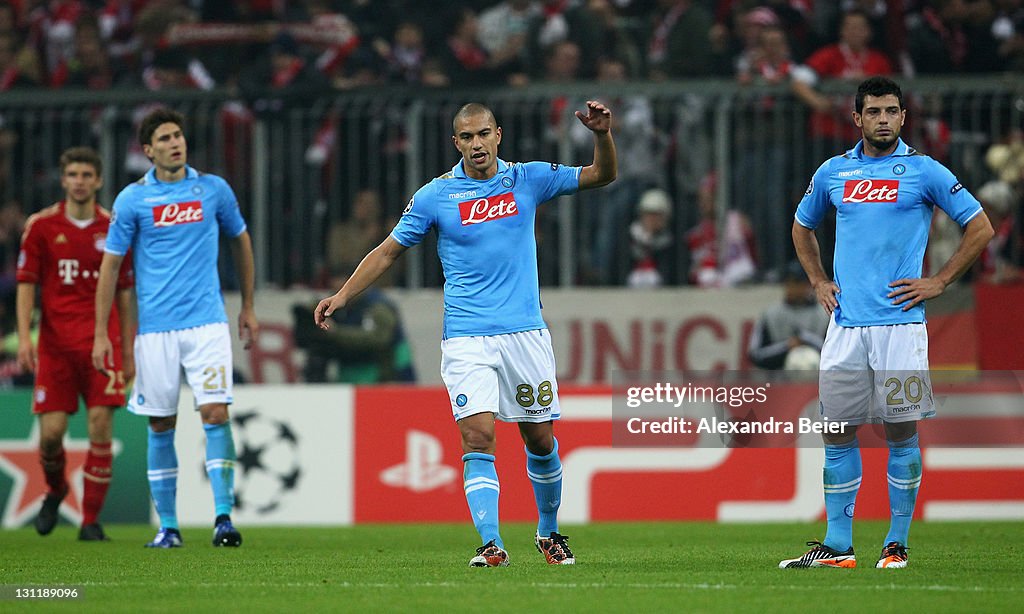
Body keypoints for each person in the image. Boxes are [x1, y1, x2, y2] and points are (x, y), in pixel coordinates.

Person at [314, 100, 617, 567]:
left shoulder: (529, 178)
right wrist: (344, 295)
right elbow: (389, 251)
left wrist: (601, 135)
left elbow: (601, 175)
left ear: (500, 135)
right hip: (466, 337)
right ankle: (491, 543)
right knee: (477, 438)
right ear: (456, 143)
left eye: (484, 134)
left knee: (539, 440)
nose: (477, 144)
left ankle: (549, 532)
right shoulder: (436, 196)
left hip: (524, 333)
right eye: (467, 137)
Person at [781, 77, 993, 570]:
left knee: (899, 432)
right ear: (857, 118)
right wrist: (816, 280)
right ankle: (838, 548)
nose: (883, 118)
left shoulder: (924, 171)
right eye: (873, 111)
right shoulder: (833, 172)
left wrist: (939, 281)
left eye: (891, 111)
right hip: (846, 326)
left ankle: (895, 545)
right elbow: (801, 225)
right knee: (836, 431)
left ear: (903, 117)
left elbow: (979, 226)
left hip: (900, 327)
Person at [92, 108, 260, 549]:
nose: (175, 143)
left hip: (207, 324)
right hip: (156, 331)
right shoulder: (132, 200)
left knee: (216, 413)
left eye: (178, 135)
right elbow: (110, 267)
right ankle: (168, 526)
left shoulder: (213, 190)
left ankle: (224, 518)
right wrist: (100, 333)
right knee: (161, 423)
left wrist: (248, 305)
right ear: (148, 151)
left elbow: (240, 239)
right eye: (164, 138)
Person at [15, 147, 135, 542]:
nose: (80, 181)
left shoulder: (114, 227)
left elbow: (125, 293)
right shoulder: (41, 227)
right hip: (55, 347)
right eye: (73, 175)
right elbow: (27, 284)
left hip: (104, 344)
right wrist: (24, 337)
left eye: (87, 174)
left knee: (101, 425)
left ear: (98, 181)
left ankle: (90, 520)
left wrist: (129, 349)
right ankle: (56, 488)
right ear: (63, 180)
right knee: (51, 435)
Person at [292, 267, 415, 383]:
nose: (338, 293)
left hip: (388, 371)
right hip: (353, 369)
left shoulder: (377, 306)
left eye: (342, 288)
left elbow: (379, 339)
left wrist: (335, 332)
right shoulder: (340, 307)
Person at [747, 261, 828, 371]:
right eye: (788, 282)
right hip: (779, 378)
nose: (792, 287)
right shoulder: (771, 314)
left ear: (808, 284)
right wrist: (787, 346)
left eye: (797, 282)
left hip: (817, 377)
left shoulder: (823, 314)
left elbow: (834, 351)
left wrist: (805, 339)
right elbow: (755, 355)